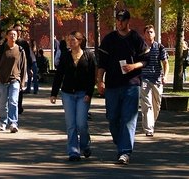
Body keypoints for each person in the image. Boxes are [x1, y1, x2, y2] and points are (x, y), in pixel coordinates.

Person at [96, 9, 150, 165]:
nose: (120, 23)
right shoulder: (109, 39)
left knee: (128, 118)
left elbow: (146, 59)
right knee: (112, 118)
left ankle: (124, 152)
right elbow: (102, 63)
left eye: (123, 20)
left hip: (131, 85)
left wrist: (134, 66)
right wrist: (100, 81)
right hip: (112, 85)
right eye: (118, 20)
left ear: (128, 21)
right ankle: (120, 141)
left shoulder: (136, 38)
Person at [50, 31, 96, 161]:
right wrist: (54, 93)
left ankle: (85, 145)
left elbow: (91, 77)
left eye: (73, 40)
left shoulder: (89, 55)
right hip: (68, 94)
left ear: (80, 41)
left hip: (83, 94)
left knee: (81, 124)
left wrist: (89, 93)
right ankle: (73, 151)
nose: (70, 42)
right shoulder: (65, 56)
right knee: (71, 124)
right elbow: (59, 75)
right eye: (69, 40)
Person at [0, 28, 26, 133]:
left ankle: (13, 123)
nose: (12, 36)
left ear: (17, 36)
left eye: (14, 34)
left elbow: (23, 67)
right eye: (10, 34)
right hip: (2, 80)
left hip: (15, 79)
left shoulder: (20, 50)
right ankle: (3, 121)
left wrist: (22, 82)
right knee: (3, 103)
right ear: (6, 36)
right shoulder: (1, 49)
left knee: (13, 101)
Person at [140, 25, 169, 136]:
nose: (149, 34)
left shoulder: (160, 47)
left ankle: (151, 122)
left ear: (154, 34)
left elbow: (165, 63)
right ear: (144, 34)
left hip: (157, 79)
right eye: (147, 32)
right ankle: (149, 129)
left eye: (151, 32)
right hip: (144, 78)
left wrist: (165, 76)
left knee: (156, 105)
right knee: (147, 104)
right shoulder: (141, 47)